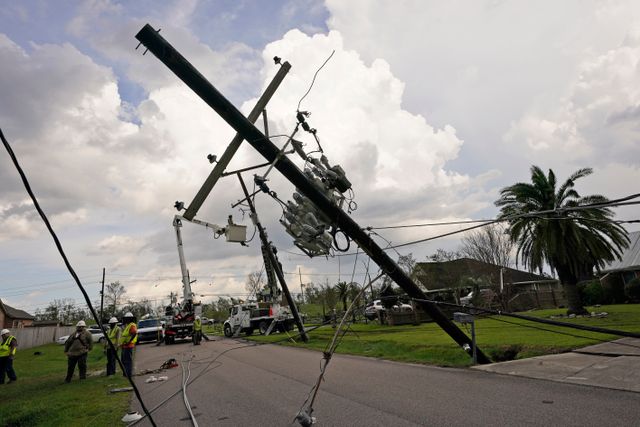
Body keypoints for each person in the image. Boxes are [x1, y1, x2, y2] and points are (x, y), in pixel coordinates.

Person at [120, 312, 137, 377]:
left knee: (128, 361)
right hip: (124, 346)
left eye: (126, 318)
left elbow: (134, 333)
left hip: (128, 346)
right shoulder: (128, 325)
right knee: (124, 360)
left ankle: (128, 374)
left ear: (129, 319)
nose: (125, 320)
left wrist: (129, 341)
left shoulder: (132, 325)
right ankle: (125, 373)